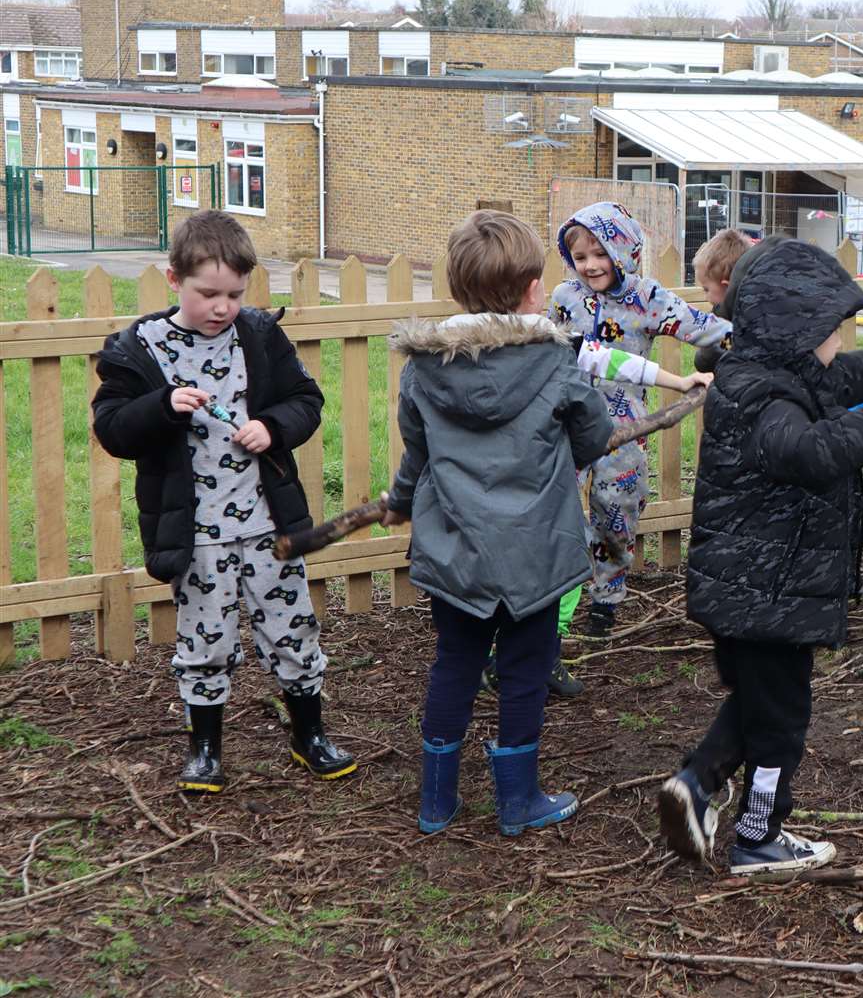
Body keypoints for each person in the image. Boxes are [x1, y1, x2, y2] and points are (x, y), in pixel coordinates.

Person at [659, 238, 863, 874]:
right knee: (782, 721)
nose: (839, 343)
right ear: (794, 330)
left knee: (762, 701)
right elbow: (805, 453)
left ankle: (695, 785)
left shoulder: (773, 371)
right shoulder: (768, 399)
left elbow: (850, 375)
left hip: (753, 586)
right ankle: (760, 835)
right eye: (831, 331)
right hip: (770, 587)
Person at [92, 209, 353, 793]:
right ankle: (205, 748)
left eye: (234, 294)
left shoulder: (259, 334)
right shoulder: (139, 349)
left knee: (294, 631)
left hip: (269, 526)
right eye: (207, 293)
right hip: (198, 535)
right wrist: (161, 405)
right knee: (204, 641)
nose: (222, 308)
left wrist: (273, 427)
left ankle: (308, 735)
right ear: (172, 280)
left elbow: (306, 400)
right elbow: (112, 429)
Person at [382, 209, 615, 836]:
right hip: (535, 551)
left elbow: (417, 451)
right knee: (525, 669)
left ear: (457, 289)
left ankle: (437, 802)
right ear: (534, 290)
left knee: (454, 662)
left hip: (457, 549)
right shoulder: (554, 362)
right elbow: (593, 437)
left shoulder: (424, 369)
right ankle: (518, 801)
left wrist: (401, 499)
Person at [482, 337, 711, 699]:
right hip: (520, 479)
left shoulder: (551, 340)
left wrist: (680, 382)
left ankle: (541, 654)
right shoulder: (508, 346)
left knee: (567, 561)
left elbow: (613, 361)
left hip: (537, 477)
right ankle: (505, 659)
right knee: (539, 564)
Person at [549, 203, 731, 637]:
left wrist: (755, 338)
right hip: (565, 426)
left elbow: (699, 326)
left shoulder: (647, 298)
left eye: (601, 253)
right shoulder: (564, 298)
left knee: (617, 511)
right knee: (556, 511)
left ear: (623, 248)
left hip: (623, 429)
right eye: (580, 257)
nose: (591, 265)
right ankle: (553, 602)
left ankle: (605, 599)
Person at [691, 228, 755, 374]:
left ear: (727, 287)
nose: (706, 298)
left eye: (706, 289)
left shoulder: (725, 318)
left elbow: (705, 361)